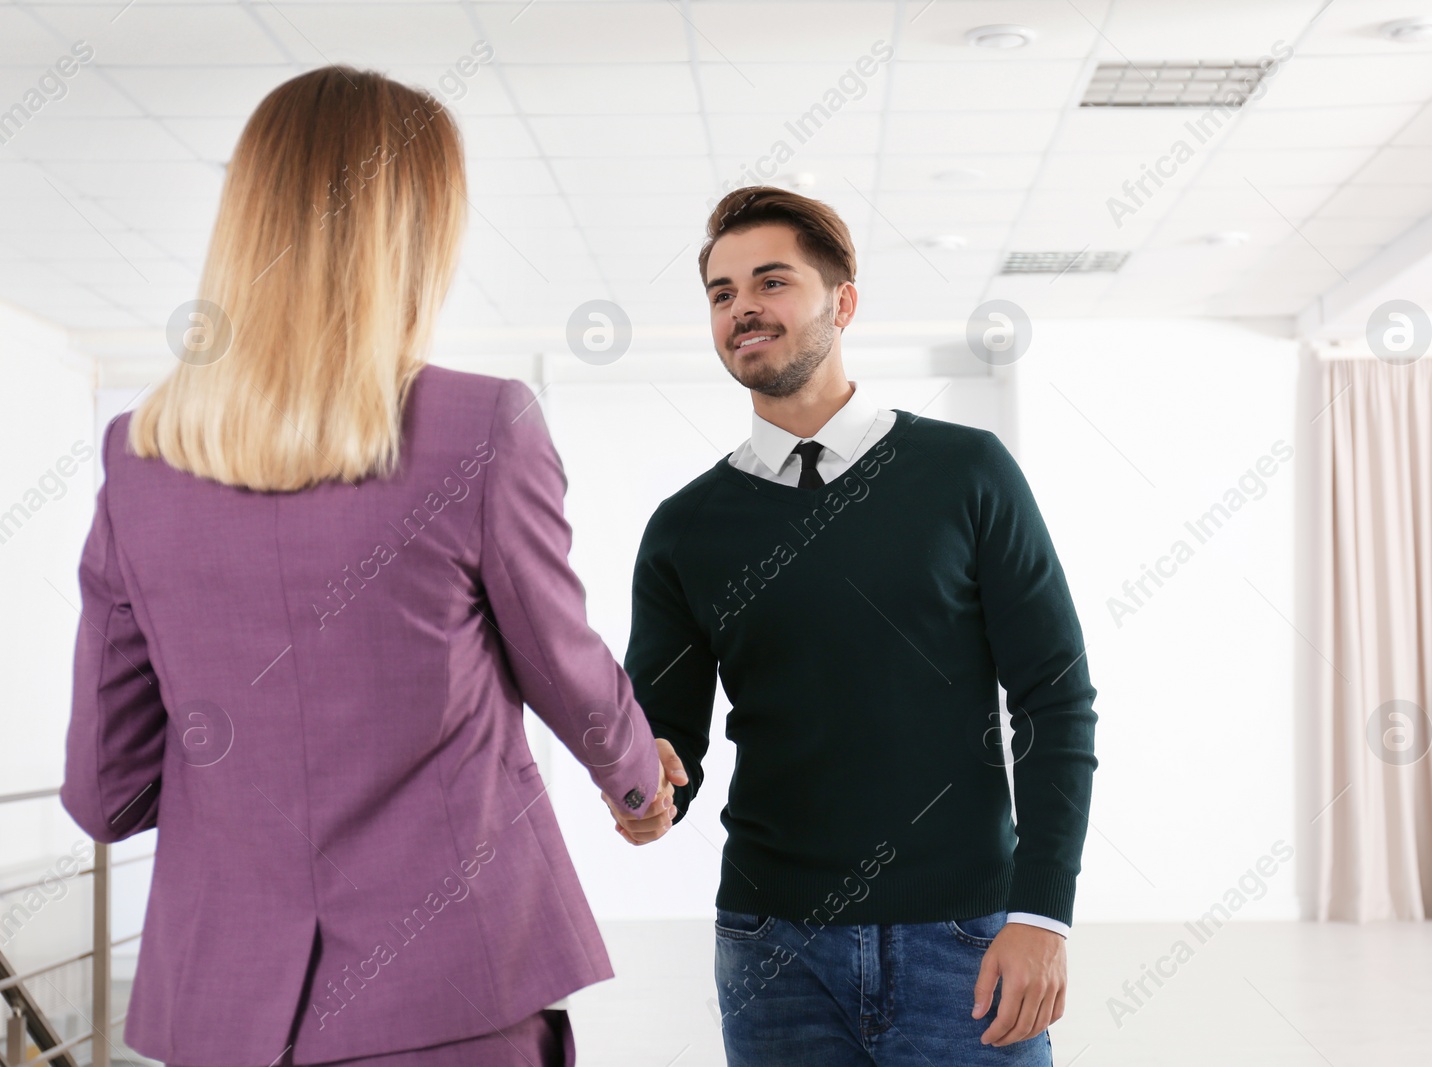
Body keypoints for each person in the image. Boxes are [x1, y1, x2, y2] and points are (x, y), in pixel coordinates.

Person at [60, 65, 674, 1067]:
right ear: (417, 235)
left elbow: (103, 788)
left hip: (219, 1016)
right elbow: (566, 667)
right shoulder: (481, 427)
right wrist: (640, 782)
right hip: (451, 999)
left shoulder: (138, 456)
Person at [605, 186, 1099, 1064]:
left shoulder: (966, 474)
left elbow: (1055, 702)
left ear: (844, 301)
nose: (743, 308)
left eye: (771, 282)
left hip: (969, 943)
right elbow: (666, 739)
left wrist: (1041, 912)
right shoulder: (684, 527)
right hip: (771, 953)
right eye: (721, 294)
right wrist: (646, 792)